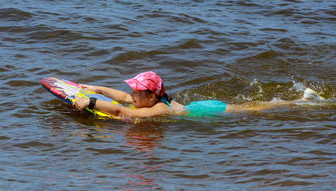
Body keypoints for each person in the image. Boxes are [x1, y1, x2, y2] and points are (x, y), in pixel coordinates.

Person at [72, 71, 324, 118]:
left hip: (211, 110)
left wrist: (91, 103)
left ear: (151, 96)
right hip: (200, 105)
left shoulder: (158, 109)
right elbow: (123, 100)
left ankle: (299, 101)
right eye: (132, 89)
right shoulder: (150, 99)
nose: (130, 94)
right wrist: (99, 89)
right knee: (251, 105)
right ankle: (298, 98)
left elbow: (122, 110)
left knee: (253, 109)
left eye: (136, 91)